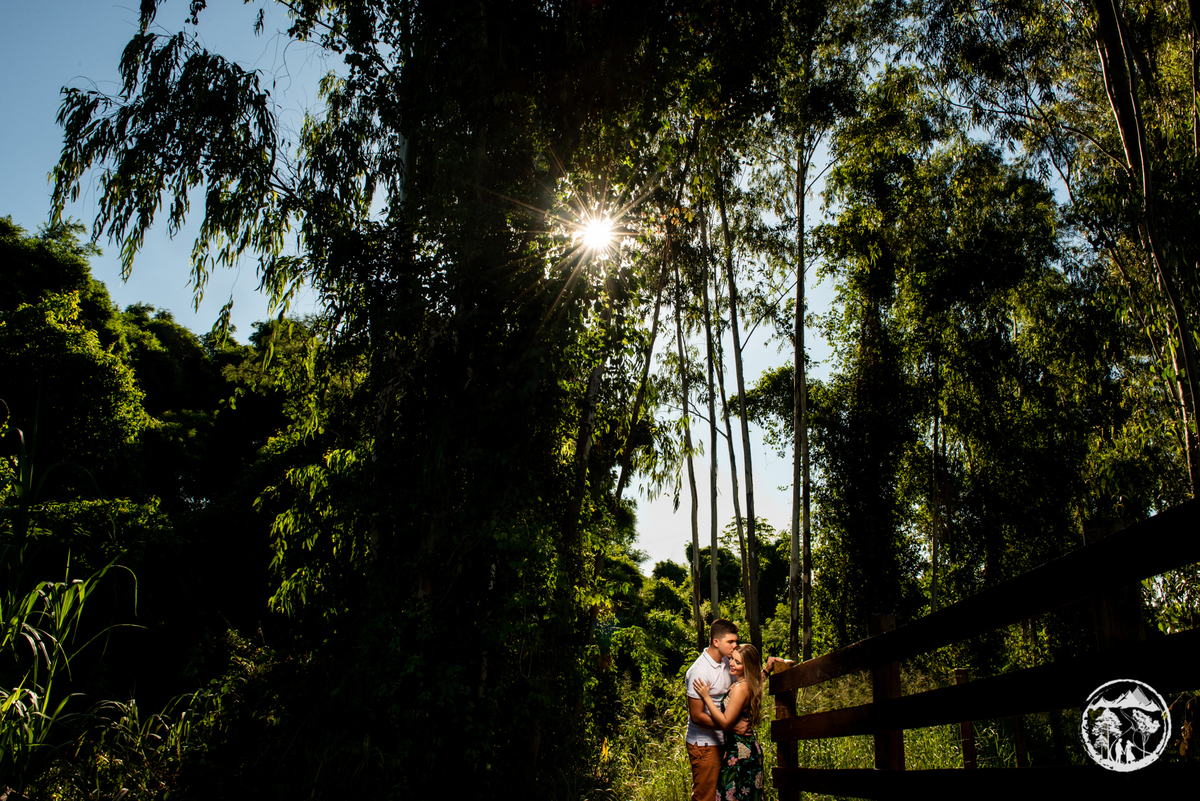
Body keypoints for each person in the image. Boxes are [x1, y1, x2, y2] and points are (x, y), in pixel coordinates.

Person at [693, 643, 766, 801]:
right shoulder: (743, 683)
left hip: (741, 754)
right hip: (738, 750)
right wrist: (767, 670)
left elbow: (725, 723)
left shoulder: (741, 688)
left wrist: (706, 697)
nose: (731, 664)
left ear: (747, 667)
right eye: (732, 659)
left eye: (738, 662)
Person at [684, 619, 741, 801]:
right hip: (705, 744)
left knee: (725, 795)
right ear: (716, 642)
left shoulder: (727, 662)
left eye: (736, 641)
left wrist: (765, 671)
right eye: (730, 642)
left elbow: (743, 686)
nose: (735, 645)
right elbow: (697, 716)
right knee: (706, 797)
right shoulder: (700, 671)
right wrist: (730, 726)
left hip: (723, 740)